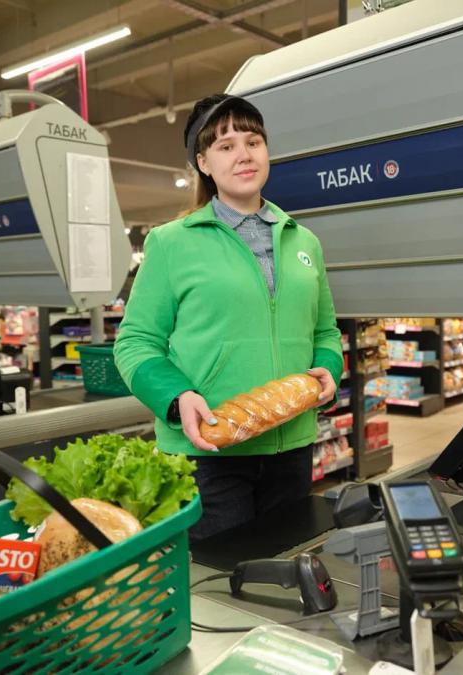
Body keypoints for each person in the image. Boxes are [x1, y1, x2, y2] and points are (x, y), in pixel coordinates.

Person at [114, 94, 343, 540]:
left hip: (291, 444)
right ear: (203, 163)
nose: (244, 154)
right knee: (223, 576)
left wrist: (328, 368)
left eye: (253, 142)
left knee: (285, 566)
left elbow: (324, 331)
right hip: (208, 452)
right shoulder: (172, 242)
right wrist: (176, 396)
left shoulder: (304, 241)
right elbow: (135, 342)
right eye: (225, 146)